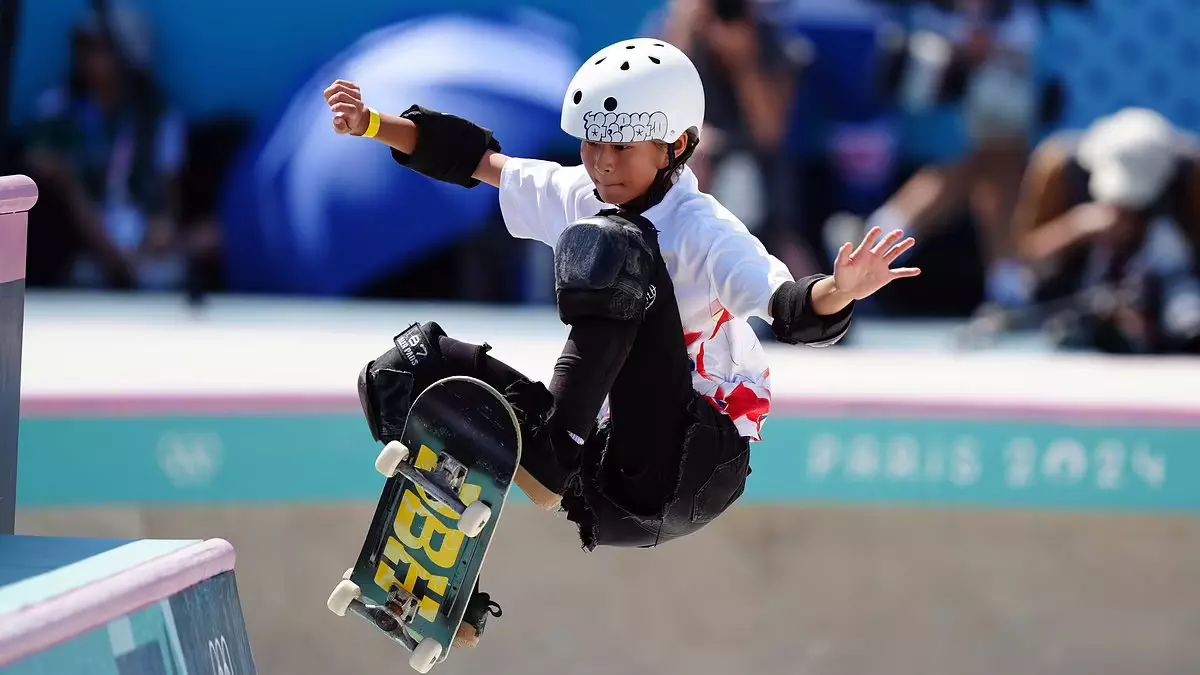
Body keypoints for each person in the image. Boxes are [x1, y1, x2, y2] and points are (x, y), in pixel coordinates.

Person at [323, 38, 920, 647]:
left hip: (687, 459)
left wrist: (839, 291)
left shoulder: (705, 229)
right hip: (602, 466)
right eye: (593, 143)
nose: (603, 164)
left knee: (616, 244)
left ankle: (551, 451)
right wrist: (372, 123)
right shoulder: (578, 191)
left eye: (622, 147)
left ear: (676, 146)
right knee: (406, 368)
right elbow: (478, 160)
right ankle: (440, 587)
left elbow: (788, 307)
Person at [1010, 107, 1200, 353]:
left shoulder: (1191, 175)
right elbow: (1025, 254)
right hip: (1082, 289)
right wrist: (1076, 229)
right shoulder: (1059, 167)